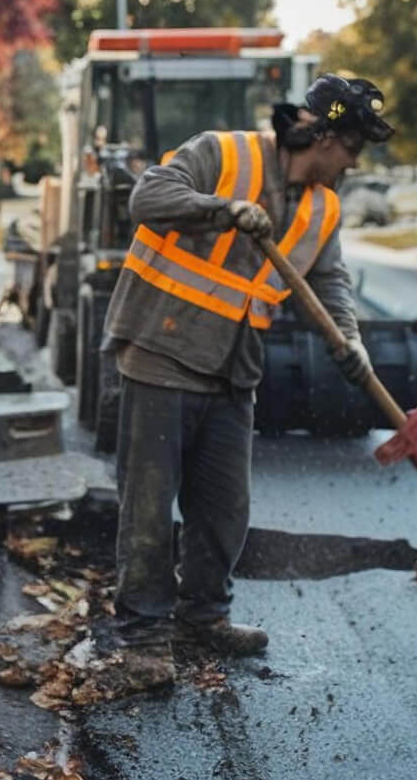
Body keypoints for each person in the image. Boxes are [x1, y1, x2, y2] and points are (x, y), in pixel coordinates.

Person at [103, 74, 395, 678]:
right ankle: (142, 639)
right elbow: (146, 199)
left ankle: (203, 617)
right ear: (325, 135)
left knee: (223, 509)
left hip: (234, 370)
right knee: (150, 507)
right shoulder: (222, 153)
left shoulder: (322, 205)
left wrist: (351, 340)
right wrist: (222, 210)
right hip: (163, 351)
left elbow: (328, 280)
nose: (355, 161)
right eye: (353, 147)